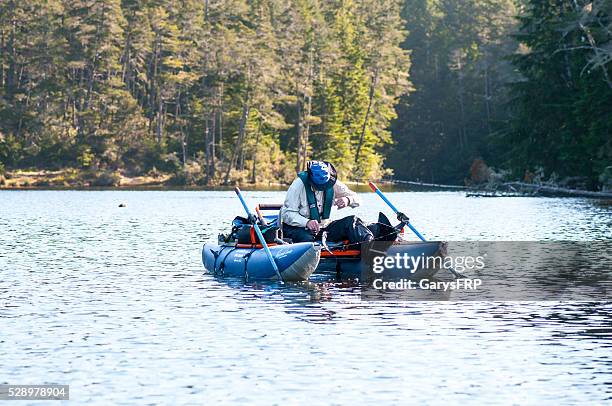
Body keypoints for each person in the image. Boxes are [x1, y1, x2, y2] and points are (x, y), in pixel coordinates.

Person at [281, 161, 374, 244]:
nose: (324, 187)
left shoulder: (333, 182)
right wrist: (307, 222)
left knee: (351, 222)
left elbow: (358, 199)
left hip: (324, 227)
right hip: (299, 229)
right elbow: (286, 214)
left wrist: (348, 200)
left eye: (326, 184)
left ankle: (368, 246)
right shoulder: (298, 185)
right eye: (319, 186)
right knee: (307, 240)